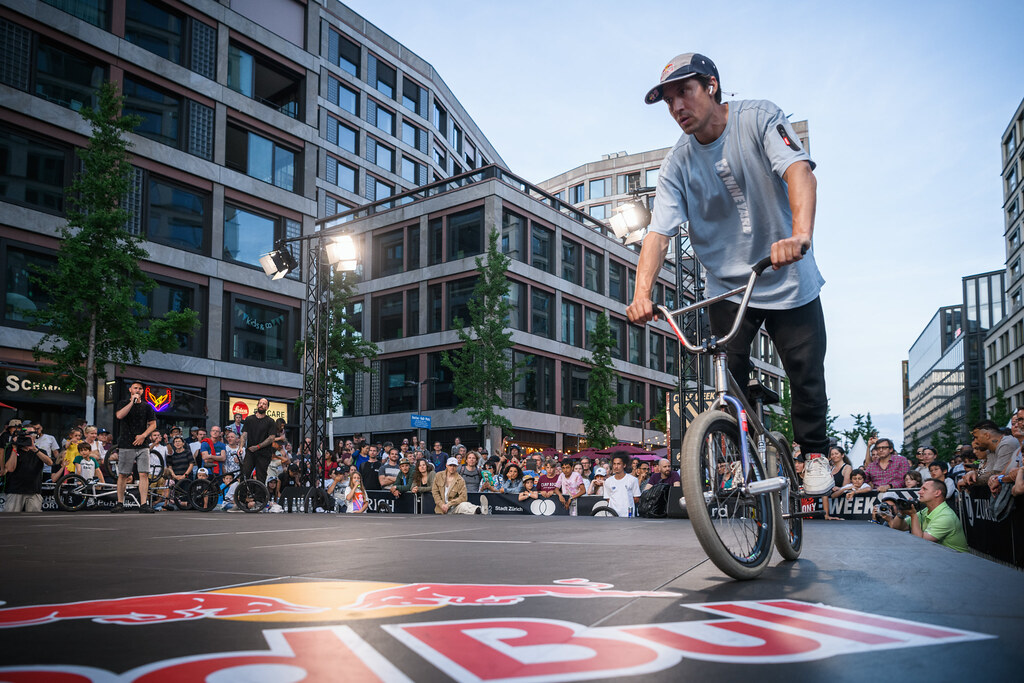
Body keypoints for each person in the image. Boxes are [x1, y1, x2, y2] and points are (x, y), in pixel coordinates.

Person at [626, 52, 832, 496]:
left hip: (787, 274)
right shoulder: (677, 164)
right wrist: (641, 294)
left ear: (711, 86)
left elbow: (799, 172)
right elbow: (658, 235)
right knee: (725, 371)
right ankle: (744, 453)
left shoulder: (758, 118)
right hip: (729, 287)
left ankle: (815, 453)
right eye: (668, 100)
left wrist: (799, 235)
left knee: (805, 372)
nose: (677, 106)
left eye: (684, 92)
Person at [879, 479, 969, 552]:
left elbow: (920, 543)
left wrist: (913, 515)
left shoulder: (945, 516)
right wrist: (901, 512)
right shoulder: (926, 511)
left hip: (958, 560)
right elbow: (897, 527)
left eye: (924, 489)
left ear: (937, 493)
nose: (919, 492)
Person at [113, 381, 157, 513]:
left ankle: (143, 504)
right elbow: (119, 415)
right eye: (135, 388)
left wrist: (143, 435)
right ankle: (120, 503)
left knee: (144, 473)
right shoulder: (123, 403)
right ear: (130, 390)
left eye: (140, 389)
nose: (138, 390)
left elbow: (153, 424)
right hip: (126, 443)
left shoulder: (147, 406)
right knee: (123, 474)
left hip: (142, 444)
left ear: (143, 391)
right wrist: (132, 402)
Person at [3, 425, 53, 512]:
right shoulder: (12, 449)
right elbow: (10, 468)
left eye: (31, 434)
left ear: (35, 436)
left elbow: (50, 463)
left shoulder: (40, 451)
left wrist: (34, 449)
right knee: (11, 518)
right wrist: (14, 448)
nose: (28, 436)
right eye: (25, 434)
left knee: (33, 518)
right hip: (15, 491)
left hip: (34, 491)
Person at [240, 398, 277, 485]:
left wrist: (258, 447)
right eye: (260, 403)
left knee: (261, 477)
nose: (261, 405)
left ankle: (259, 494)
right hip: (250, 452)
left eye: (264, 404)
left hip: (264, 453)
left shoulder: (270, 421)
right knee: (245, 474)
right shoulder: (249, 419)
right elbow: (244, 434)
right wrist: (241, 447)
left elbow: (271, 438)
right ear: (257, 405)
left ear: (267, 407)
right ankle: (242, 493)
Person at [603, 452, 641, 517]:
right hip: (612, 515)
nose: (616, 466)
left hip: (627, 516)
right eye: (614, 464)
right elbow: (608, 498)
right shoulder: (608, 481)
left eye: (618, 464)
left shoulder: (633, 480)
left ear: (624, 465)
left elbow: (636, 498)